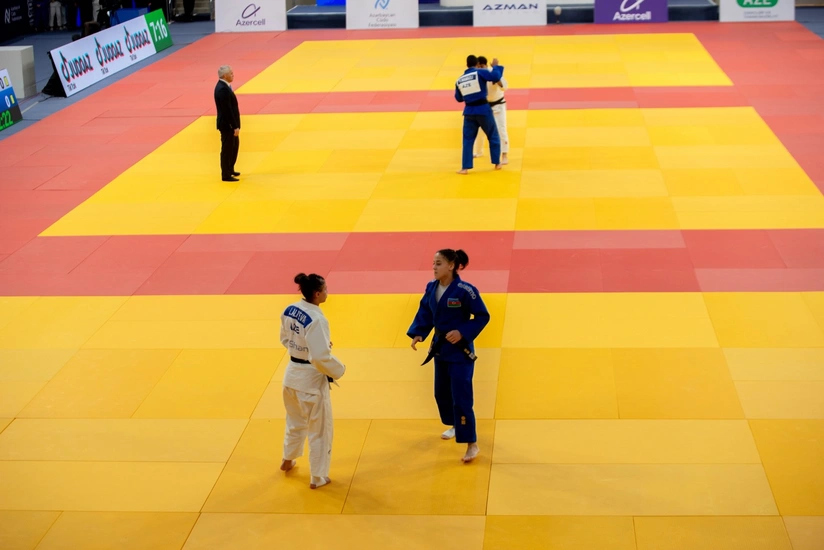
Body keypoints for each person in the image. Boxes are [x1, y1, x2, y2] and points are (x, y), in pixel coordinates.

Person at [407, 249, 491, 463]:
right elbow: (425, 311)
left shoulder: (466, 291)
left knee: (462, 397)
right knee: (441, 393)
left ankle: (471, 443)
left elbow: (482, 316)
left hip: (460, 351)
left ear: (451, 266)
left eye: (438, 263)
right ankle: (456, 424)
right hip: (441, 348)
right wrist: (419, 332)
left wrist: (462, 331)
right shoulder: (432, 287)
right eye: (433, 263)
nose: (434, 267)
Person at [280, 273, 346, 489]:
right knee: (319, 429)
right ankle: (318, 477)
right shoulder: (318, 319)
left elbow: (285, 339)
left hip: (291, 376)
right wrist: (339, 369)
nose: (327, 292)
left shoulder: (289, 309)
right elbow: (319, 358)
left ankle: (288, 459)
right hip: (310, 382)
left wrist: (313, 346)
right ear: (317, 294)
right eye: (325, 289)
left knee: (295, 421)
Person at [454, 55, 505, 175]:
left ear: (466, 64)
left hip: (469, 112)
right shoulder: (479, 72)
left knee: (467, 140)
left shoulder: (459, 80)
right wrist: (496, 66)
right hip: (483, 109)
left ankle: (465, 168)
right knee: (493, 135)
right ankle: (497, 163)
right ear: (477, 64)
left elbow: (458, 98)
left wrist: (470, 95)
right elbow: (495, 77)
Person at [473, 56, 509, 165]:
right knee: (480, 130)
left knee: (501, 129)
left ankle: (504, 155)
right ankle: (478, 151)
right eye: (478, 67)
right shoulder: (476, 75)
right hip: (485, 105)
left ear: (484, 65)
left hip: (498, 105)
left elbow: (504, 87)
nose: (479, 69)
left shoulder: (494, 73)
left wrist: (496, 75)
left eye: (481, 67)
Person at [214, 65, 241, 182]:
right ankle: (225, 174)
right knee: (227, 149)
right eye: (231, 73)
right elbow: (227, 110)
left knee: (234, 147)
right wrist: (234, 126)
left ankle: (230, 168)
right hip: (227, 125)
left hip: (229, 123)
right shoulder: (222, 90)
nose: (233, 75)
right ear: (225, 75)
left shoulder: (225, 86)